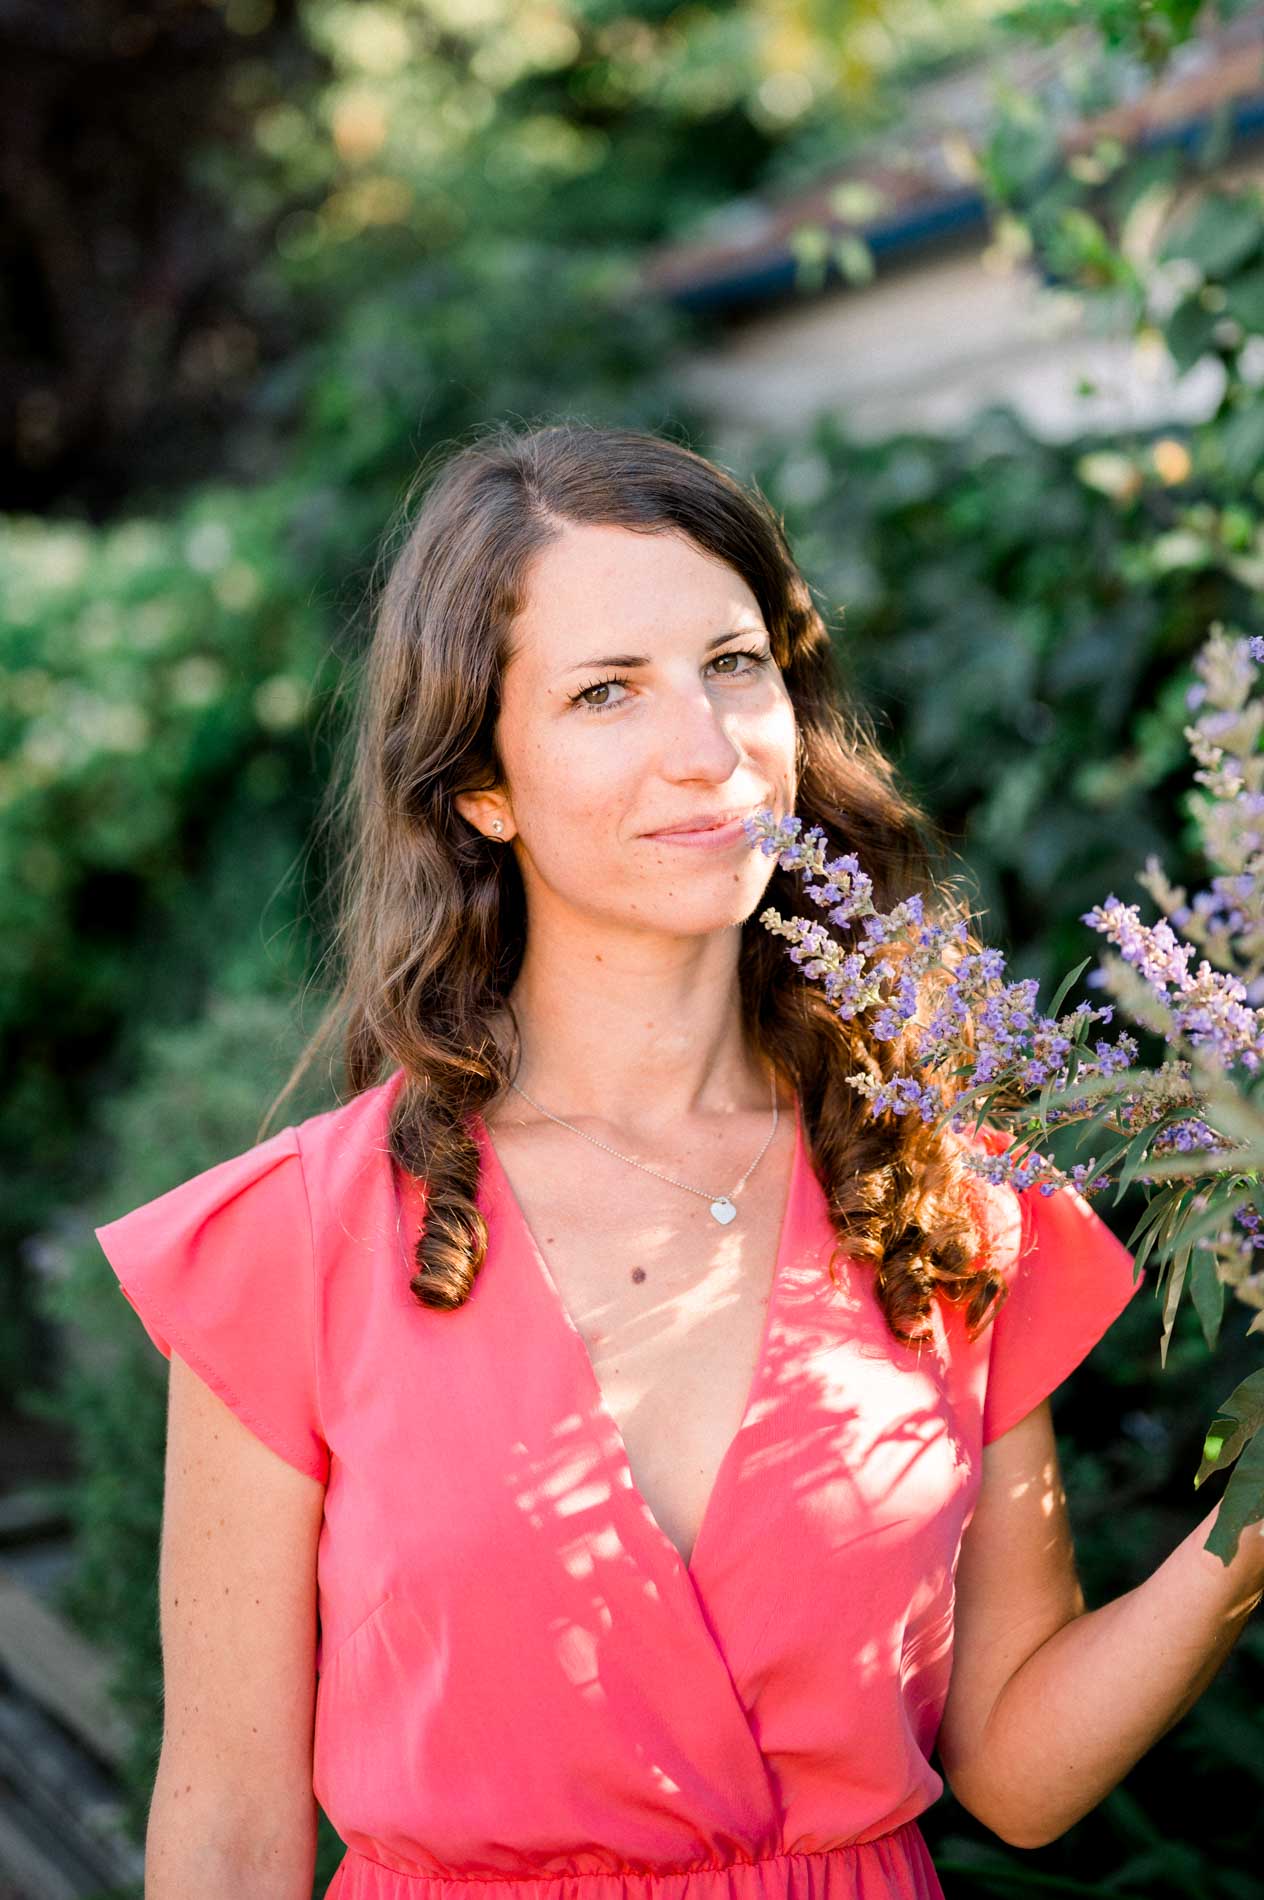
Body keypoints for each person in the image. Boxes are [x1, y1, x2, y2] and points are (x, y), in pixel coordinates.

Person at [98, 420, 1175, 1900]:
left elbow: (1018, 1765)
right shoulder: (292, 1243)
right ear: (480, 783)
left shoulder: (942, 1199)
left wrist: (1245, 1546)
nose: (707, 748)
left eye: (735, 666)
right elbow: (225, 1833)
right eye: (608, 692)